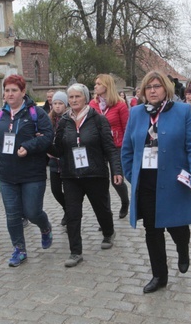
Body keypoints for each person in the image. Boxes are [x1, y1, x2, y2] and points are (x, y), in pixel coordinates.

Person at [121, 71, 191, 293]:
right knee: (152, 230)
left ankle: (183, 249)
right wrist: (132, 175)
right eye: (148, 87)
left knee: (177, 227)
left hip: (175, 181)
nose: (152, 90)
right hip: (147, 183)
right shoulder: (136, 113)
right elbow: (127, 148)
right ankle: (159, 275)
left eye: (157, 86)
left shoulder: (182, 110)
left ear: (166, 88)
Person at [0, 74, 54, 266]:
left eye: (14, 90)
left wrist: (28, 146)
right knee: (12, 214)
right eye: (7, 90)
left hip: (32, 174)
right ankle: (19, 249)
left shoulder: (35, 113)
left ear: (23, 92)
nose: (10, 94)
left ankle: (45, 227)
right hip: (8, 175)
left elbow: (47, 137)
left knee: (33, 212)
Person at [52, 83, 123, 267]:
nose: (74, 100)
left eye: (78, 97)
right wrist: (44, 145)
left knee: (101, 209)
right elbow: (58, 148)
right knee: (73, 213)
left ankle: (108, 232)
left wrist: (116, 170)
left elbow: (110, 147)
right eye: (71, 97)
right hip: (71, 175)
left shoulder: (98, 120)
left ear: (85, 98)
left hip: (95, 174)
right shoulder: (64, 122)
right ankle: (75, 252)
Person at [90, 74, 130, 218]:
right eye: (95, 84)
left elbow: (127, 128)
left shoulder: (120, 104)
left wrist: (126, 148)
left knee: (117, 181)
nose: (95, 86)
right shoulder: (92, 105)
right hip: (98, 147)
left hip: (116, 146)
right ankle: (106, 215)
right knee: (101, 183)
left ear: (107, 86)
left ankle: (125, 202)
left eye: (98, 84)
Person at [47, 91, 69, 225]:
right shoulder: (49, 120)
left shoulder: (69, 119)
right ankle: (67, 208)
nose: (57, 106)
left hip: (67, 162)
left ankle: (71, 213)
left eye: (60, 103)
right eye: (55, 103)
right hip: (54, 161)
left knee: (68, 190)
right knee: (55, 190)